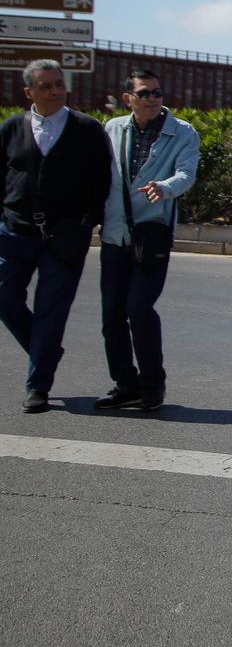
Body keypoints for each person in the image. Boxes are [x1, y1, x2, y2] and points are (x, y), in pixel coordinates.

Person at [0, 59, 113, 413]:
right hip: (14, 232)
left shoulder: (87, 129)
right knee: (5, 299)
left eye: (58, 85)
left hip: (64, 238)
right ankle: (44, 348)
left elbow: (102, 181)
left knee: (51, 312)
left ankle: (38, 385)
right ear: (29, 91)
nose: (54, 92)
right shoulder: (11, 128)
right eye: (45, 86)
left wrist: (85, 224)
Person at [96, 69, 200, 412]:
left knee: (139, 309)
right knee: (112, 316)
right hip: (114, 233)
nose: (153, 99)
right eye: (145, 94)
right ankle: (125, 384)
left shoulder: (182, 133)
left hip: (152, 234)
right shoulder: (112, 129)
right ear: (129, 99)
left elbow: (186, 174)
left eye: (157, 93)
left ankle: (152, 383)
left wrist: (165, 187)